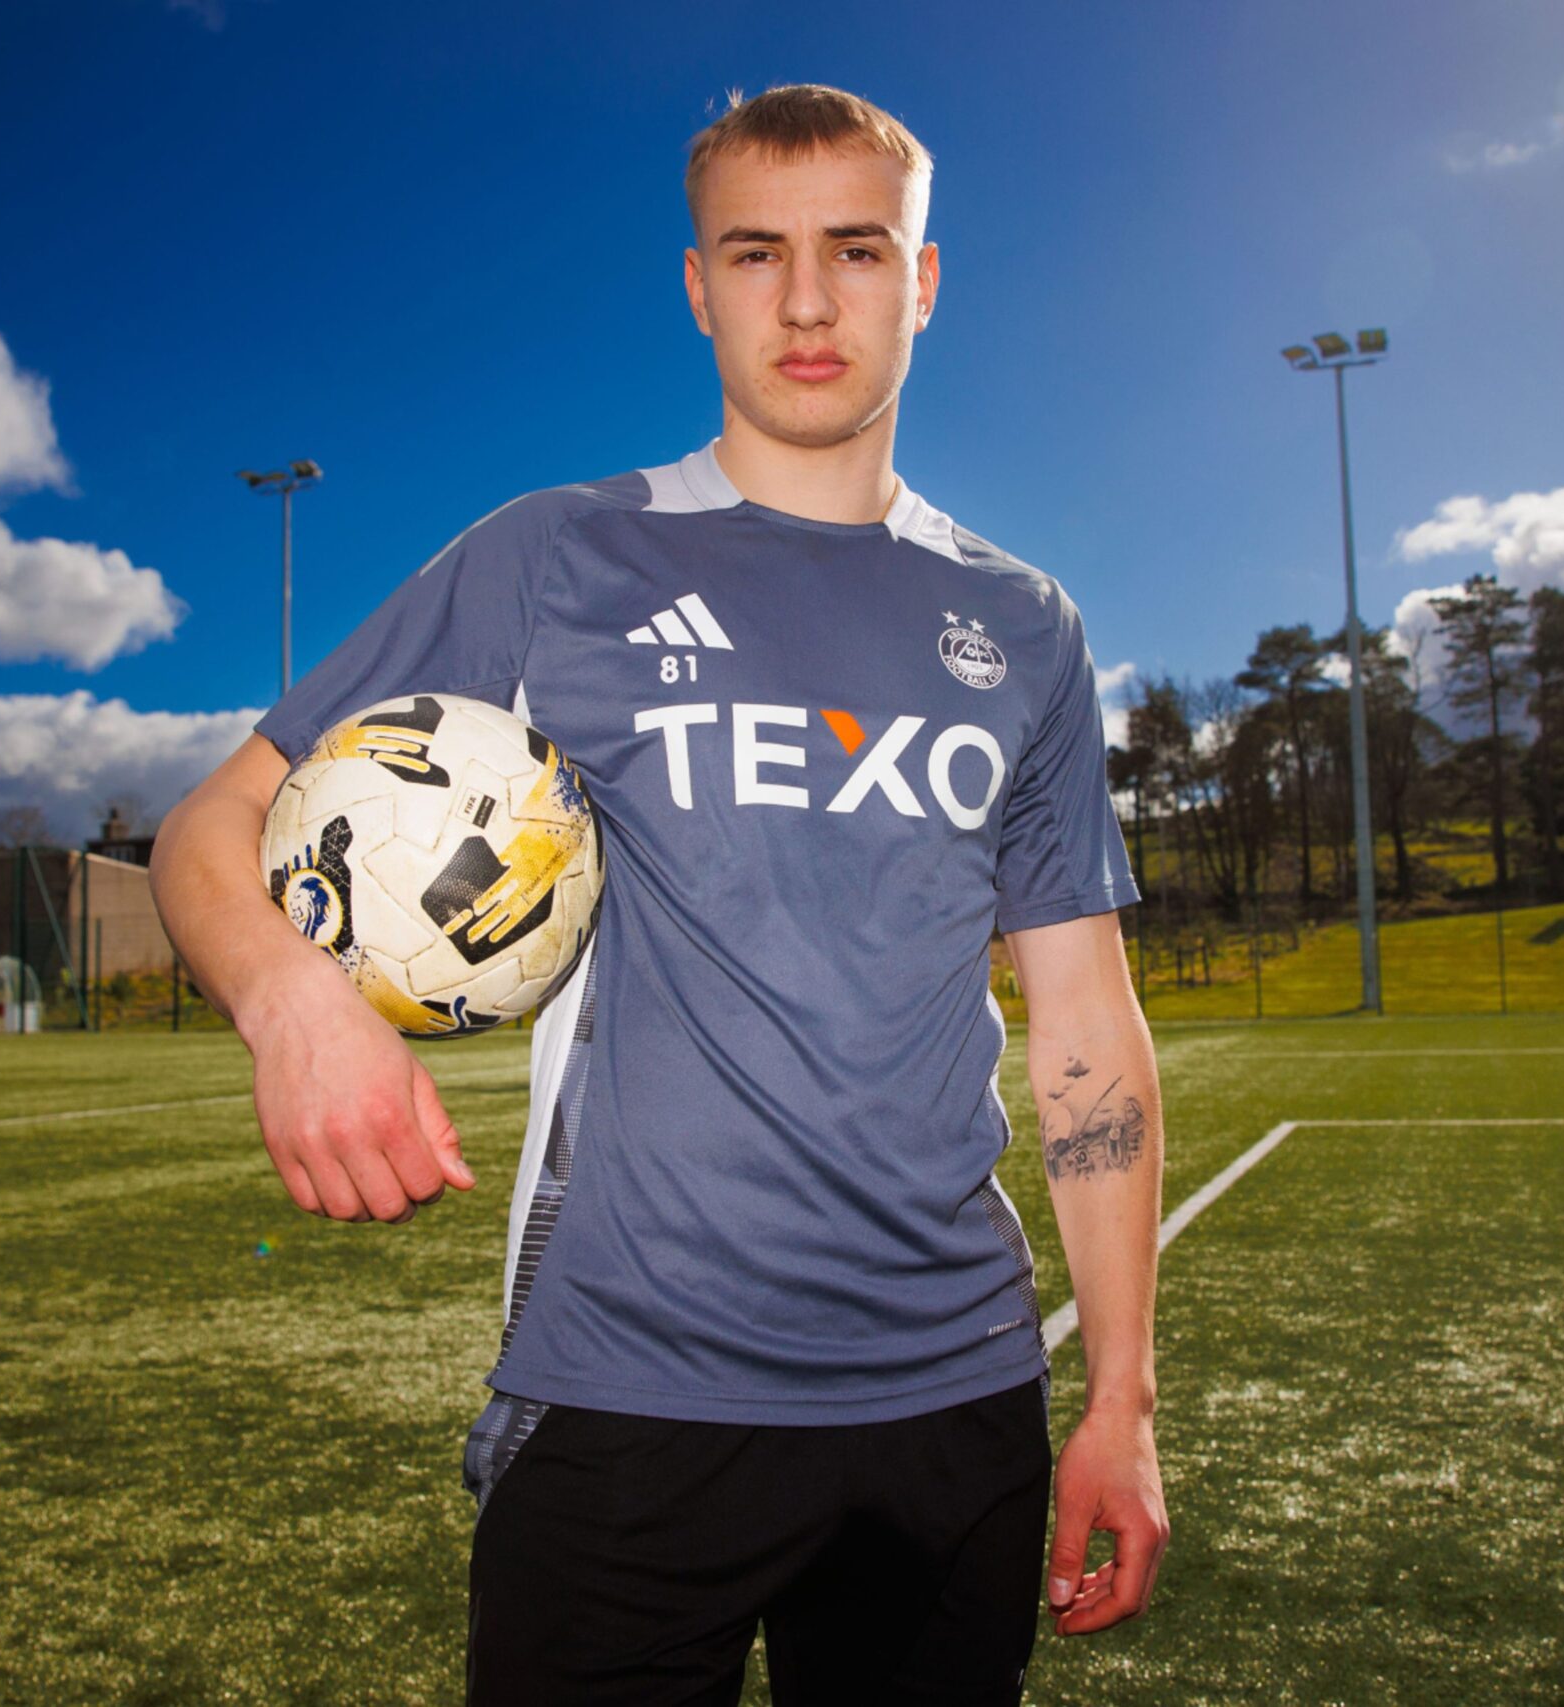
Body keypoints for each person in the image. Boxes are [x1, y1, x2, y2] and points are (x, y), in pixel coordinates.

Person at [151, 83, 1168, 1706]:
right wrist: (294, 1003)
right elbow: (208, 831)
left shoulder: (1023, 625)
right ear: (699, 287)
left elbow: (1085, 1026)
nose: (811, 299)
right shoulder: (565, 558)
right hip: (632, 1391)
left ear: (924, 281)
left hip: (953, 1401)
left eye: (858, 249)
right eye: (758, 253)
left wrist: (1119, 1397)